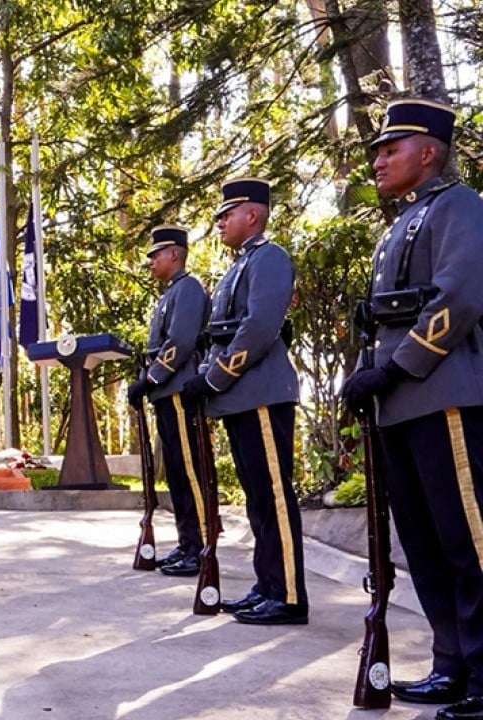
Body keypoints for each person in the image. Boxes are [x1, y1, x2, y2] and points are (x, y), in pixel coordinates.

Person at [341, 99, 483, 720]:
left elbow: (460, 297)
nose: (377, 160)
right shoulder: (403, 220)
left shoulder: (459, 206)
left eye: (389, 149)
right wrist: (366, 374)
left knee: (467, 541)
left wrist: (396, 368)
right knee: (424, 545)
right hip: (399, 405)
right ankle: (452, 665)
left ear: (428, 152)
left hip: (443, 393)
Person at [181, 176, 306, 626]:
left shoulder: (269, 257)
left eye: (227, 214)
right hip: (241, 397)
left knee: (274, 497)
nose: (219, 222)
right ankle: (267, 584)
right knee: (258, 500)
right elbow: (221, 333)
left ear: (252, 215)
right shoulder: (239, 265)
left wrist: (213, 379)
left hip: (261, 394)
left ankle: (288, 595)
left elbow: (258, 328)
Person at [126, 224, 212, 578]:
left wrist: (152, 378)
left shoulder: (188, 288)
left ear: (174, 254)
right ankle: (187, 542)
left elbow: (180, 342)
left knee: (190, 471)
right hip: (166, 391)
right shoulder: (170, 293)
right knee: (176, 472)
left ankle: (203, 546)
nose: (151, 261)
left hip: (178, 389)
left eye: (156, 254)